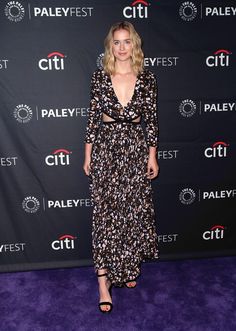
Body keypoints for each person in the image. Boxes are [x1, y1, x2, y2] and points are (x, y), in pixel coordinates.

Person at [83, 21, 159, 313]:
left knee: (130, 212)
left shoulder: (147, 78)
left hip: (135, 151)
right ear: (110, 46)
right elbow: (91, 120)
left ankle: (126, 268)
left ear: (135, 44)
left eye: (127, 41)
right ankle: (103, 281)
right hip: (106, 150)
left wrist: (152, 156)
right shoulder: (99, 77)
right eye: (117, 42)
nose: (122, 47)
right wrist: (87, 155)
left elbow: (151, 120)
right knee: (105, 216)